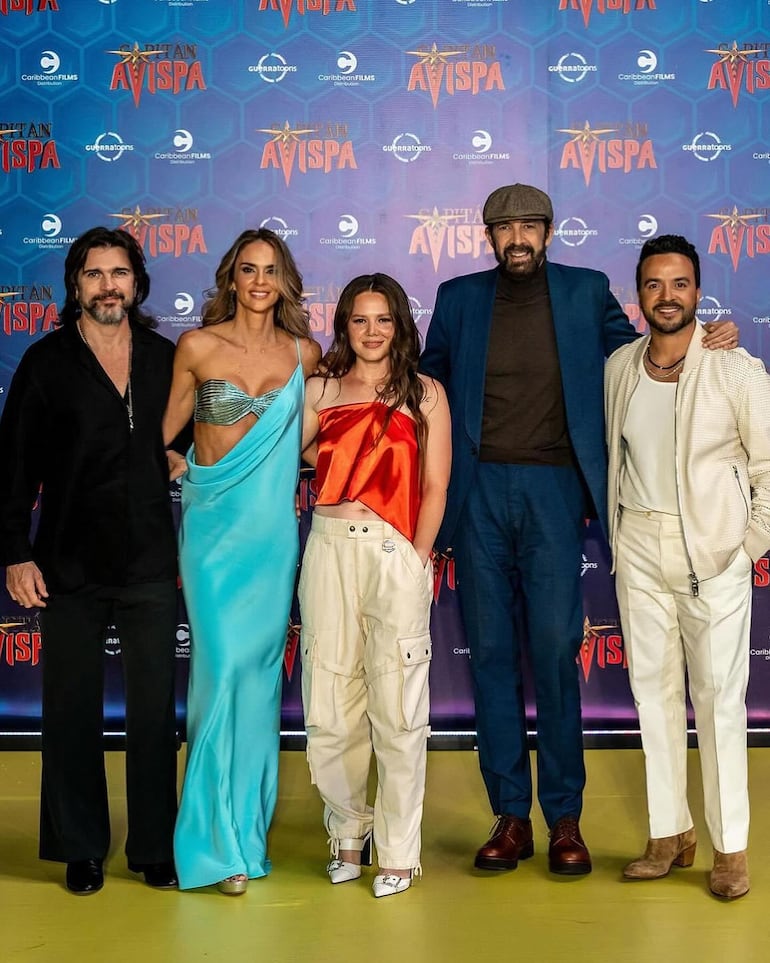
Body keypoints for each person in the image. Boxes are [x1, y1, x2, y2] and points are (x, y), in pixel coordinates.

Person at [419, 184, 739, 876]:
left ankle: (565, 817)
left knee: (558, 654)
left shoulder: (585, 290)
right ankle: (510, 816)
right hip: (477, 499)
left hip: (556, 493)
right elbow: (426, 387)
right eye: (505, 228)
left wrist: (713, 341)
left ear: (549, 231)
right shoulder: (458, 299)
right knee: (494, 657)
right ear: (488, 235)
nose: (518, 238)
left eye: (530, 225)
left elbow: (651, 357)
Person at [0, 227, 180, 895]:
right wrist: (15, 553)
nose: (109, 284)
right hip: (67, 565)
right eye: (95, 273)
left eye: (120, 272)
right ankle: (80, 846)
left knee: (155, 716)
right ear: (75, 285)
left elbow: (197, 441)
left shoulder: (166, 358)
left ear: (138, 283)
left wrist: (185, 455)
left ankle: (155, 847)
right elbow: (11, 470)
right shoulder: (45, 364)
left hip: (151, 565)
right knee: (70, 710)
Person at [605, 235, 770, 900]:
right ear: (638, 293)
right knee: (654, 694)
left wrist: (747, 543)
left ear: (698, 292)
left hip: (713, 551)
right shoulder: (620, 366)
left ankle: (730, 848)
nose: (666, 296)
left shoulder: (735, 370)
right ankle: (669, 832)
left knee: (720, 703)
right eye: (653, 284)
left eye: (679, 284)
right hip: (639, 546)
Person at [163, 228, 321, 895]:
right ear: (231, 277)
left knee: (257, 682)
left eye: (272, 270)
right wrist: (174, 465)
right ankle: (210, 840)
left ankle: (245, 838)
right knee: (220, 669)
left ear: (286, 280)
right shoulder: (198, 346)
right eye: (248, 269)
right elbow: (160, 428)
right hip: (213, 531)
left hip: (271, 535)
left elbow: (317, 437)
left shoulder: (305, 353)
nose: (260, 281)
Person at [299, 273, 451, 898]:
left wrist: (418, 556)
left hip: (396, 550)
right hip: (329, 547)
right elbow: (281, 459)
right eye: (359, 320)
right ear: (343, 328)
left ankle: (397, 849)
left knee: (398, 707)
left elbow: (436, 485)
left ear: (400, 325)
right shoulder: (320, 390)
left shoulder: (427, 394)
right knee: (330, 705)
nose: (371, 331)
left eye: (383, 319)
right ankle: (347, 833)